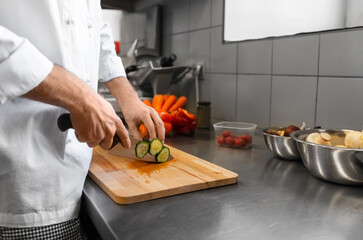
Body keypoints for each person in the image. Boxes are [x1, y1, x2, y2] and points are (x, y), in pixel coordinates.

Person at [0, 1, 165, 239]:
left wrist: (128, 97)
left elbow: (94, 26)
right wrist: (81, 97)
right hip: (19, 188)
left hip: (73, 184)